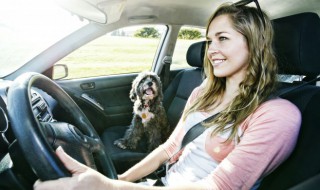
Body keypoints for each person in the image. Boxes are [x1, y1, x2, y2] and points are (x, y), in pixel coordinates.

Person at [34, 2, 301, 190]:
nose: (211, 50)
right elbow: (169, 148)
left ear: (254, 44)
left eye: (222, 38)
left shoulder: (278, 115)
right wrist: (121, 180)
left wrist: (109, 188)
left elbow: (218, 187)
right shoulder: (202, 92)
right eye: (209, 41)